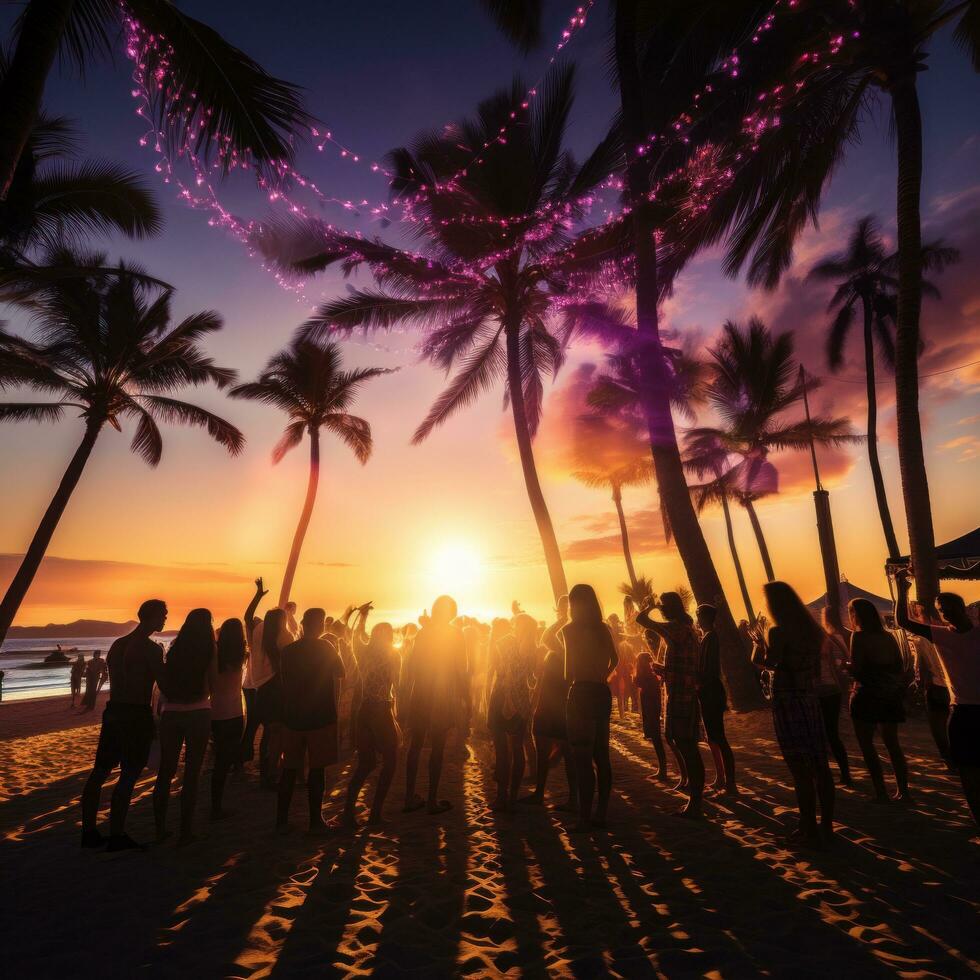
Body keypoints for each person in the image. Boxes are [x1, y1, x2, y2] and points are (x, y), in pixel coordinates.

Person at [80, 600, 168, 851]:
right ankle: (116, 834)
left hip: (114, 711)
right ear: (151, 617)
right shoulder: (151, 649)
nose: (165, 619)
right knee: (129, 773)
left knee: (100, 771)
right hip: (135, 714)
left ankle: (89, 831)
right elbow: (163, 683)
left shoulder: (117, 645)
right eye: (163, 615)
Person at [752, 582, 834, 847]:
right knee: (820, 765)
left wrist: (756, 645)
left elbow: (769, 663)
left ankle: (808, 824)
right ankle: (827, 824)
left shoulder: (778, 632)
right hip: (809, 700)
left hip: (788, 702)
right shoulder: (813, 631)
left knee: (799, 769)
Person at [896, 572, 980, 826]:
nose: (946, 613)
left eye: (950, 607)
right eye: (942, 610)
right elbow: (904, 622)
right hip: (962, 711)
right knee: (967, 774)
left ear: (962, 607)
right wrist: (902, 590)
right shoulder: (942, 634)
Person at [277, 608, 345, 834]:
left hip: (292, 716)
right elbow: (341, 673)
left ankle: (281, 822)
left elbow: (284, 681)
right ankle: (315, 821)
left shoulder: (288, 651)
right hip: (320, 716)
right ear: (321, 626)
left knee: (289, 769)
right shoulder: (326, 647)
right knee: (317, 769)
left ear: (303, 624)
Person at [637, 594, 704, 818]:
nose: (662, 609)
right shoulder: (686, 629)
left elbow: (642, 620)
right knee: (682, 743)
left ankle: (696, 802)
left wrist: (651, 607)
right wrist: (664, 670)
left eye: (664, 605)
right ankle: (695, 799)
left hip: (681, 696)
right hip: (682, 692)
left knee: (687, 746)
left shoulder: (676, 629)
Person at [402, 595, 468, 815]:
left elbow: (412, 665)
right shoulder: (455, 634)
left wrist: (408, 694)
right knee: (437, 747)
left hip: (421, 692)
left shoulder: (423, 633)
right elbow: (461, 668)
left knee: (416, 745)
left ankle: (409, 796)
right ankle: (431, 799)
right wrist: (465, 697)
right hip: (442, 695)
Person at [153, 609, 215, 845]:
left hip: (172, 713)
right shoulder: (210, 649)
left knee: (165, 772)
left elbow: (165, 683)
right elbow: (212, 686)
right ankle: (185, 832)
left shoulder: (175, 649)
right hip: (198, 711)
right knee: (191, 773)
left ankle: (159, 830)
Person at [562, 584, 618, 832]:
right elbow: (615, 659)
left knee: (582, 759)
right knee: (601, 756)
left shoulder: (570, 630)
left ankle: (584, 818)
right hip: (601, 691)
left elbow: (568, 671)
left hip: (581, 691)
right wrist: (603, 673)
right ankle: (602, 813)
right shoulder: (603, 628)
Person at [847, 598, 910, 802]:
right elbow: (899, 666)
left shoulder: (858, 637)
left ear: (856, 614)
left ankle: (881, 792)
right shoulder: (888, 637)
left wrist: (846, 667)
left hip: (867, 694)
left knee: (868, 746)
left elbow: (858, 669)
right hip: (889, 695)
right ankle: (903, 791)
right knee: (893, 745)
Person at [342, 606, 400, 827]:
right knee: (391, 760)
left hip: (364, 710)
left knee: (366, 764)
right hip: (381, 709)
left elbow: (353, 634)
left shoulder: (363, 651)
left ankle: (349, 812)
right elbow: (398, 687)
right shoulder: (394, 654)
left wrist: (361, 616)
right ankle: (375, 813)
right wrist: (397, 716)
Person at [487, 613, 536, 812]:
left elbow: (495, 667)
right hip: (521, 701)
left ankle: (502, 795)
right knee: (515, 749)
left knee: (503, 750)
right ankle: (512, 797)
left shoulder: (505, 642)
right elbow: (533, 680)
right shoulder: (533, 649)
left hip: (502, 698)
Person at [520, 648, 578, 809]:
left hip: (547, 711)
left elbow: (539, 687)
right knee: (568, 757)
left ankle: (539, 793)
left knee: (543, 756)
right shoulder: (569, 664)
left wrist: (532, 708)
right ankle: (574, 798)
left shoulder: (551, 660)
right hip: (563, 711)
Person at [696, 604, 737, 797]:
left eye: (698, 616)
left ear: (703, 618)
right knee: (713, 737)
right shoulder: (707, 638)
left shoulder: (710, 638)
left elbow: (708, 669)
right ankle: (721, 778)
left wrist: (698, 682)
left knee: (718, 737)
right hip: (708, 691)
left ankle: (730, 783)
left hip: (710, 692)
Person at [209, 618, 247, 819]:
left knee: (219, 760)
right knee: (225, 760)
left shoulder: (215, 654)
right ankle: (216, 808)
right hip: (234, 712)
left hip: (215, 711)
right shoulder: (242, 655)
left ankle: (216, 805)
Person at [251, 606, 292, 790]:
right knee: (278, 734)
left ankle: (265, 775)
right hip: (277, 689)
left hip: (262, 689)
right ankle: (272, 774)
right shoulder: (283, 638)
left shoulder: (259, 635)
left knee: (268, 734)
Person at [907, 601, 952, 766]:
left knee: (938, 726)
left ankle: (948, 758)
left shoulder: (921, 639)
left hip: (935, 686)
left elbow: (920, 666)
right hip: (954, 687)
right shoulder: (950, 632)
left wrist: (917, 683)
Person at [817, 608, 852, 787]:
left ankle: (840, 773)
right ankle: (844, 773)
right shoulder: (836, 636)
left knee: (827, 733)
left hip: (827, 688)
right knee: (831, 733)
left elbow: (843, 659)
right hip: (834, 687)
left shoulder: (830, 638)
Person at [239, 579, 269, 771]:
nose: (258, 621)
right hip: (254, 686)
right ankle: (247, 759)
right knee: (257, 724)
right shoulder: (254, 642)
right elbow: (248, 616)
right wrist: (257, 595)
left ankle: (244, 758)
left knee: (256, 723)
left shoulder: (264, 644)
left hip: (253, 686)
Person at [633, 650, 668, 778]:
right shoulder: (650, 677)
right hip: (651, 712)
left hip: (652, 712)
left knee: (657, 739)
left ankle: (663, 770)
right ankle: (662, 769)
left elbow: (636, 681)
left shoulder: (648, 678)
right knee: (656, 739)